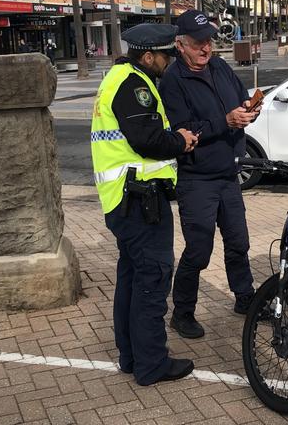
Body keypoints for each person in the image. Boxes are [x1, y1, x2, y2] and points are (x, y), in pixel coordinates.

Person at [91, 23, 199, 385]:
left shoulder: (117, 77)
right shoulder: (134, 85)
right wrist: (180, 140)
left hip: (125, 200)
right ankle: (151, 364)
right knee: (152, 279)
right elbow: (147, 140)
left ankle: (131, 356)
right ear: (148, 55)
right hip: (139, 201)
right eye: (165, 55)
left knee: (133, 279)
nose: (168, 61)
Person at [159, 9, 261, 339]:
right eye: (199, 43)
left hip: (229, 173)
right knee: (198, 251)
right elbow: (182, 132)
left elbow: (238, 101)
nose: (207, 49)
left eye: (210, 42)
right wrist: (225, 122)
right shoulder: (173, 81)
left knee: (238, 242)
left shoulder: (218, 65)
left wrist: (249, 112)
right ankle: (182, 312)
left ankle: (245, 299)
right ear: (180, 45)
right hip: (197, 179)